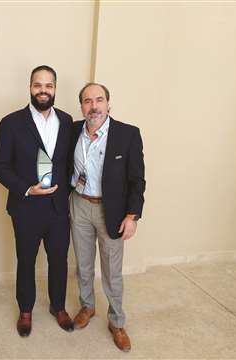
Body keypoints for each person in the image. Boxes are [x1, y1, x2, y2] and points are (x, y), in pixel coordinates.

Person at [0, 65, 74, 337]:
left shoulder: (66, 120)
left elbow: (69, 161)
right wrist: (26, 188)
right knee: (26, 261)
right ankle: (25, 310)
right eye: (38, 85)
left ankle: (58, 307)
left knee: (59, 260)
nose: (43, 90)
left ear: (55, 89)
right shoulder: (11, 122)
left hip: (58, 208)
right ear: (30, 87)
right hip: (26, 207)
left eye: (48, 85)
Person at [69, 83, 146, 352]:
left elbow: (137, 180)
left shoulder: (128, 134)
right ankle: (87, 306)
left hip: (111, 211)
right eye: (88, 101)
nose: (94, 106)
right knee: (83, 264)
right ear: (81, 106)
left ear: (108, 103)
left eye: (99, 100)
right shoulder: (72, 130)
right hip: (79, 205)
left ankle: (117, 321)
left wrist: (132, 215)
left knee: (112, 271)